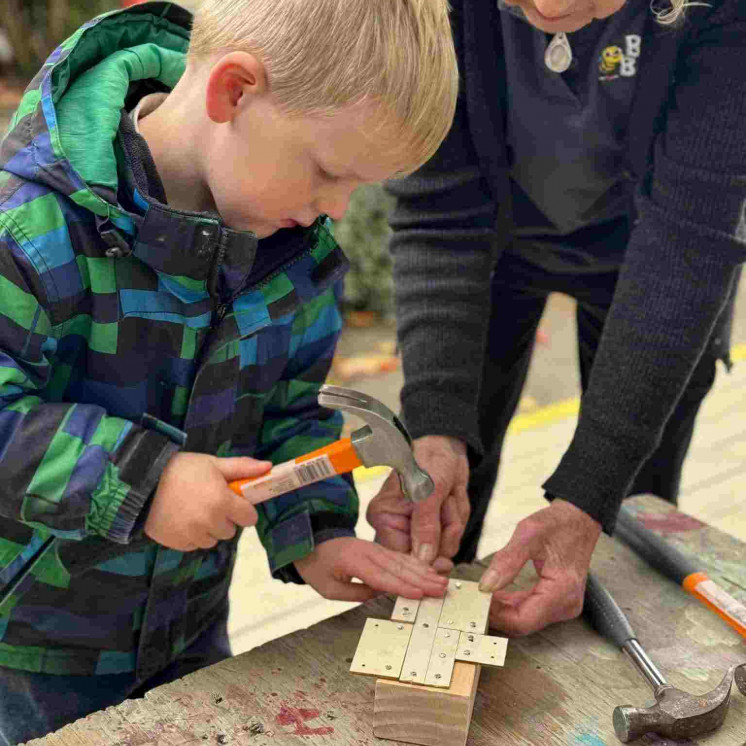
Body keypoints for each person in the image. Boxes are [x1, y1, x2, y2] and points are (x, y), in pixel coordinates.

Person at [0, 0, 458, 741]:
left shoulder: (296, 254)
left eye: (356, 191)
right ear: (234, 92)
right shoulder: (29, 229)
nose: (334, 208)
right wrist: (144, 482)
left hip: (189, 633)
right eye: (327, 173)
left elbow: (291, 414)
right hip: (30, 659)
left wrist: (314, 532)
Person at [368, 0, 746, 637]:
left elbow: (688, 242)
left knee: (628, 515)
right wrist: (434, 427)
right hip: (492, 241)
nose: (547, 6)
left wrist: (588, 496)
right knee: (442, 481)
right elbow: (440, 212)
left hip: (658, 251)